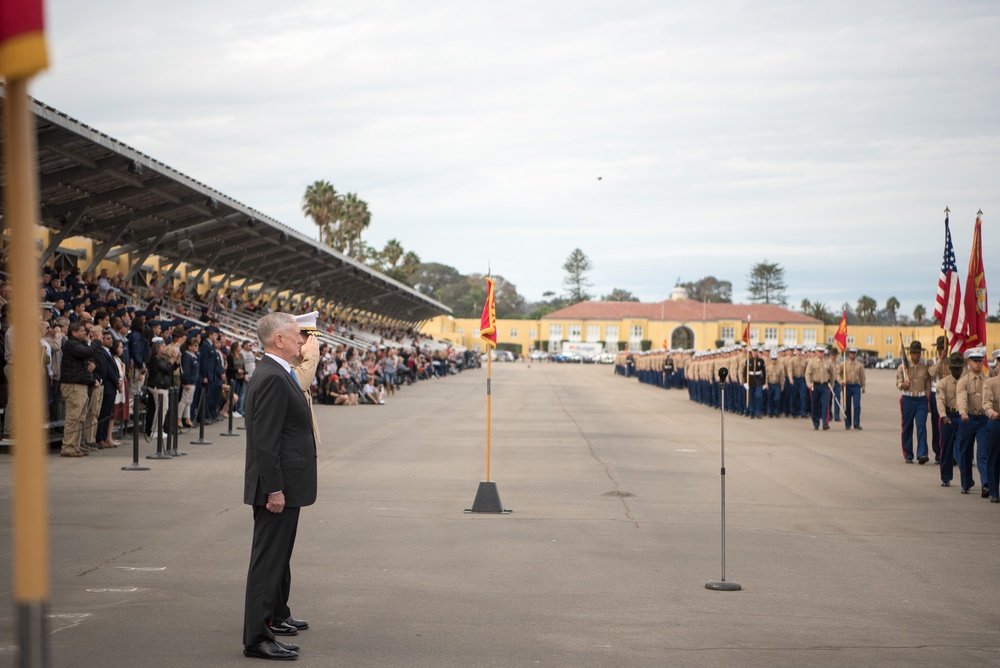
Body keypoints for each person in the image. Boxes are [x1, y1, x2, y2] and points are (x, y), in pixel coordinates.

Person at [242, 313, 317, 661]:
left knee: (276, 559)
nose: (302, 341)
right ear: (279, 341)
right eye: (296, 335)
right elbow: (266, 441)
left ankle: (268, 624)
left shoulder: (277, 372)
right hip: (276, 486)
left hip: (285, 483)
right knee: (267, 563)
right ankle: (257, 637)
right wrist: (274, 489)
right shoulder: (272, 376)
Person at [59, 321, 96, 457]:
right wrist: (96, 340)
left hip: (81, 385)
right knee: (73, 417)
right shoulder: (71, 344)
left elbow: (90, 356)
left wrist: (94, 365)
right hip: (73, 386)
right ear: (74, 333)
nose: (85, 332)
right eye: (82, 331)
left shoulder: (80, 344)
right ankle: (68, 447)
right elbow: (88, 352)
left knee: (80, 418)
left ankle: (75, 446)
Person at [956, 347, 989, 494]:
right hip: (967, 419)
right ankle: (966, 482)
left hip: (983, 420)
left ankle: (986, 484)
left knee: (983, 452)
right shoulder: (963, 381)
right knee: (965, 452)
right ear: (969, 362)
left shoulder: (987, 381)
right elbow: (962, 398)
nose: (978, 364)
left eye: (980, 361)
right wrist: (963, 412)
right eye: (975, 361)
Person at [896, 341, 931, 463]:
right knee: (907, 427)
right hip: (907, 399)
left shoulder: (924, 368)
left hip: (921, 399)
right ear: (910, 353)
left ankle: (922, 453)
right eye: (914, 353)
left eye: (918, 353)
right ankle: (908, 454)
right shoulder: (903, 367)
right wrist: (903, 384)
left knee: (921, 426)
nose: (916, 355)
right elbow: (898, 383)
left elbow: (927, 386)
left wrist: (928, 402)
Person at [937, 352, 965, 488]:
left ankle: (966, 480)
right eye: (955, 368)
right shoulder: (943, 383)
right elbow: (940, 401)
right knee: (947, 449)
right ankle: (946, 477)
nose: (958, 370)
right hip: (948, 416)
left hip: (962, 417)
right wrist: (943, 416)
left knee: (963, 449)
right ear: (950, 368)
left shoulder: (966, 382)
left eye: (960, 368)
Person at [805, 346, 835, 431]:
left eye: (822, 352)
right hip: (815, 385)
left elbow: (832, 374)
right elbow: (807, 373)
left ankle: (825, 423)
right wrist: (808, 383)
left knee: (825, 405)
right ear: (816, 352)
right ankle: (816, 423)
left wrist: (831, 385)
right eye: (819, 352)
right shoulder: (812, 362)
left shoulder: (827, 363)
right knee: (815, 405)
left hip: (825, 386)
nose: (821, 353)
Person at [982, 365, 1000, 503]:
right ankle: (994, 491)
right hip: (996, 422)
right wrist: (990, 411)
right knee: (993, 458)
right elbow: (987, 402)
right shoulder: (990, 383)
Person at [842, 347, 866, 430]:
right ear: (848, 354)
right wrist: (841, 381)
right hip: (847, 385)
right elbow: (838, 374)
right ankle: (847, 423)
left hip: (856, 386)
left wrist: (863, 386)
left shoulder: (859, 365)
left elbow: (862, 376)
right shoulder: (844, 364)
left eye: (854, 353)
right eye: (851, 353)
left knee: (857, 405)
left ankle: (856, 423)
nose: (853, 355)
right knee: (847, 405)